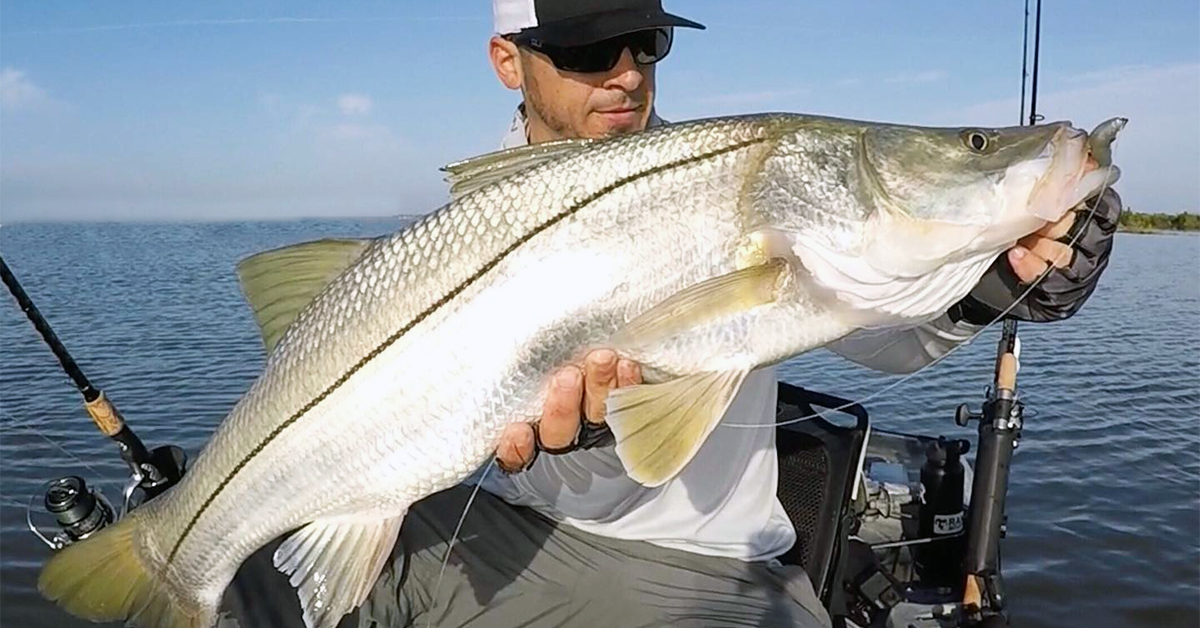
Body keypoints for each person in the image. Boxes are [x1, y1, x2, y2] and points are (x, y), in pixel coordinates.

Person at [359, 1, 1122, 627]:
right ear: (507, 61)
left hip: (698, 565)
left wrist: (997, 284)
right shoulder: (450, 237)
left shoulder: (746, 179)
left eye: (647, 42)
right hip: (488, 528)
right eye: (587, 49)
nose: (627, 75)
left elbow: (884, 328)